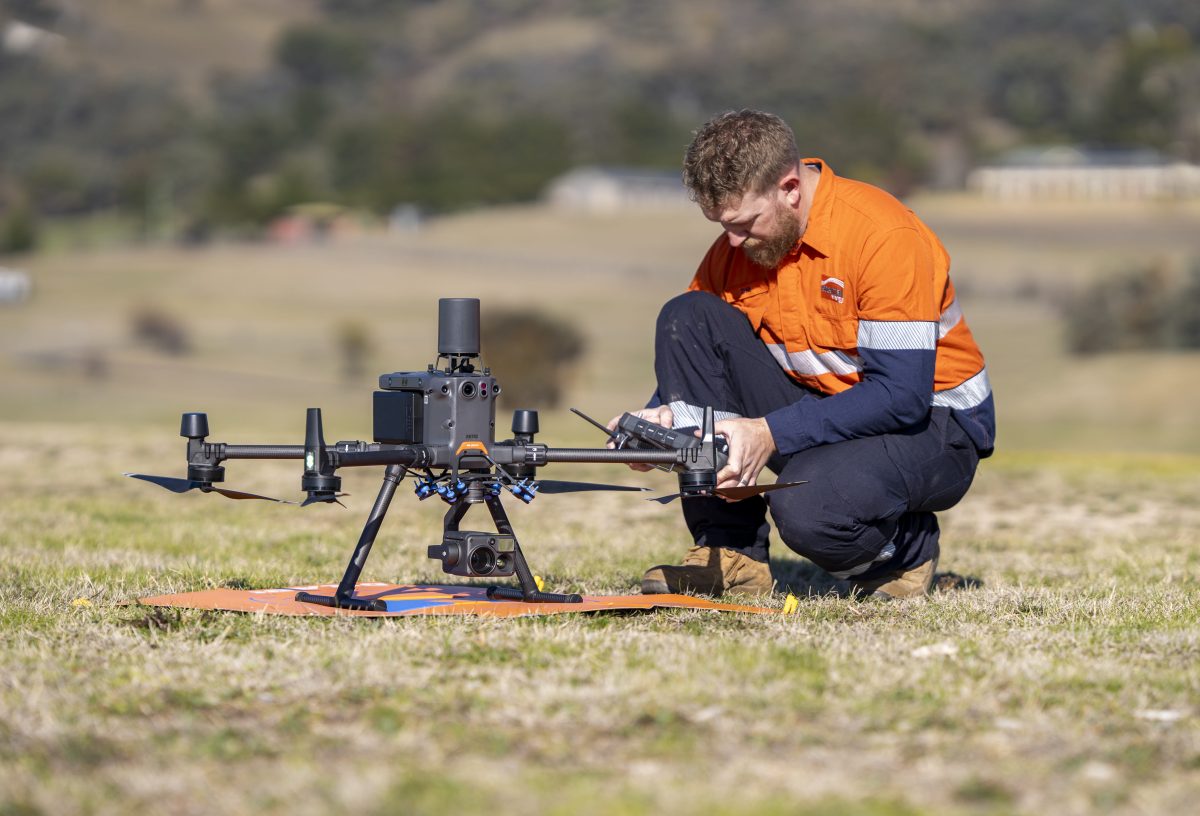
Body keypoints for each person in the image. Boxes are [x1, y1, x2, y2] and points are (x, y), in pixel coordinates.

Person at [609, 109, 994, 600]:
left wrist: (769, 433)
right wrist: (660, 419)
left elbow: (901, 396)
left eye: (745, 222)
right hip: (824, 410)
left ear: (790, 188)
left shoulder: (884, 236)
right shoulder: (740, 247)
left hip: (935, 425)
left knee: (810, 511)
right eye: (722, 224)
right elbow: (702, 363)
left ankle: (907, 549)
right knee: (687, 315)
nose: (731, 241)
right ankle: (732, 554)